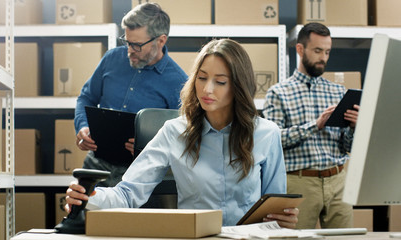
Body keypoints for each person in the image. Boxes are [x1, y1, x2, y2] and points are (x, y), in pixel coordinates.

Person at [66, 39, 299, 227]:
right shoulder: (174, 131)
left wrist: (284, 218)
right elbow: (128, 193)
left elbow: (274, 209)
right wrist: (90, 197)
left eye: (220, 82)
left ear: (239, 87)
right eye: (201, 78)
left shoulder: (266, 134)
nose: (207, 89)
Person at [74, 3, 188, 187]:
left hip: (141, 176)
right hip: (95, 167)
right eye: (127, 42)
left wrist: (148, 145)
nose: (129, 51)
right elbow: (86, 98)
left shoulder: (179, 83)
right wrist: (82, 127)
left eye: (136, 45)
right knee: (81, 217)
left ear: (161, 41)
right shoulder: (111, 59)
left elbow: (183, 136)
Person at [263, 22, 359, 229]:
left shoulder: (338, 92)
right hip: (300, 182)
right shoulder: (278, 93)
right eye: (317, 51)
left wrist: (353, 127)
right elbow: (273, 142)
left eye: (327, 52)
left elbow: (347, 146)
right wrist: (315, 125)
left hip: (338, 180)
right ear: (300, 49)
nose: (323, 57)